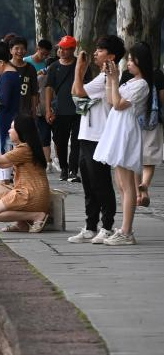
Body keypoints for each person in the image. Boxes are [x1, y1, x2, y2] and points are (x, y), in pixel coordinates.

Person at [93, 43, 152, 245]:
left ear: (141, 62)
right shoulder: (131, 82)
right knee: (121, 184)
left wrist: (115, 78)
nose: (128, 63)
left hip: (125, 130)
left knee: (127, 185)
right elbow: (111, 100)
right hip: (118, 128)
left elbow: (118, 104)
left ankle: (127, 232)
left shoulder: (142, 84)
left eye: (132, 60)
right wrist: (111, 78)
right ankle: (125, 229)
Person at [67, 35, 123, 243]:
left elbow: (78, 92)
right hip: (87, 135)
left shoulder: (108, 77)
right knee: (89, 185)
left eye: (100, 50)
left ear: (111, 56)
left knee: (100, 183)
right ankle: (91, 226)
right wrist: (80, 72)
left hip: (98, 136)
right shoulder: (101, 77)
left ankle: (107, 226)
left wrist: (78, 69)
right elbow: (76, 95)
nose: (95, 53)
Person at [0, 116, 51, 232]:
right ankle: (22, 224)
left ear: (21, 131)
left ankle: (37, 216)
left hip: (30, 195)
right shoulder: (27, 146)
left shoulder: (25, 149)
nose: (9, 131)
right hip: (30, 193)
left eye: (12, 128)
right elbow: (3, 164)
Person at [44, 36, 83, 181]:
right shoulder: (54, 67)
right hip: (60, 110)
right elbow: (49, 88)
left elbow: (87, 85)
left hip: (78, 109)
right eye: (60, 48)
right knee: (60, 141)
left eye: (65, 49)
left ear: (73, 50)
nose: (61, 51)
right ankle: (64, 168)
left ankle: (73, 170)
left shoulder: (80, 64)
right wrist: (48, 109)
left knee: (76, 141)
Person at [0, 45, 21, 186]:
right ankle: (4, 185)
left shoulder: (7, 76)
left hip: (6, 120)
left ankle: (4, 186)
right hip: (9, 118)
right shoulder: (13, 75)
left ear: (1, 62)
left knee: (3, 153)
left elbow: (2, 99)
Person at [135, 50, 164, 208]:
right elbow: (162, 98)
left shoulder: (128, 75)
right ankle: (144, 185)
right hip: (153, 120)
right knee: (149, 158)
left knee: (134, 158)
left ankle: (138, 195)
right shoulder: (158, 74)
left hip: (133, 121)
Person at [25, 39, 55, 168]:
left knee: (42, 134)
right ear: (37, 48)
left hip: (42, 103)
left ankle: (43, 159)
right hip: (28, 102)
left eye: (46, 55)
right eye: (43, 53)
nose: (44, 57)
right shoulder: (26, 62)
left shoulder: (47, 64)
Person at [9, 36, 39, 118]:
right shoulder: (5, 67)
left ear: (26, 50)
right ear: (11, 50)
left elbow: (34, 92)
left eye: (22, 48)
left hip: (25, 113)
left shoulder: (31, 68)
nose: (20, 51)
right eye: (16, 48)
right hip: (8, 111)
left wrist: (34, 111)